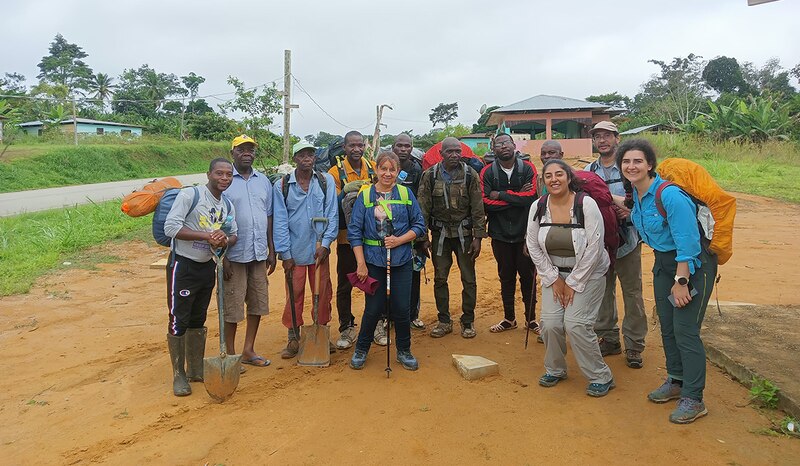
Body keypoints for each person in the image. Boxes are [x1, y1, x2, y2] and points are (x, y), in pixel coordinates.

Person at [617, 139, 717, 424]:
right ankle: (676, 380)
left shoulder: (669, 195)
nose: (631, 166)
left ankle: (694, 397)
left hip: (691, 265)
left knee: (685, 329)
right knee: (668, 327)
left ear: (650, 164)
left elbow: (688, 240)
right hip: (663, 263)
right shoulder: (637, 194)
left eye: (638, 161)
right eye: (626, 161)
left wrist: (682, 280)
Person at [526, 159, 614, 397]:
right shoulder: (538, 206)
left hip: (589, 273)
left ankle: (600, 375)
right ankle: (555, 369)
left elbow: (595, 248)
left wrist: (573, 283)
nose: (554, 179)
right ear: (543, 181)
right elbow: (532, 245)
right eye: (548, 176)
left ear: (569, 177)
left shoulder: (586, 204)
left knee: (576, 325)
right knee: (551, 324)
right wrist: (555, 279)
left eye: (559, 174)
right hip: (553, 273)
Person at [163, 158, 238, 396]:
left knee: (198, 318)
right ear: (209, 174)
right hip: (183, 266)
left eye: (228, 175)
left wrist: (223, 239)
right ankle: (179, 375)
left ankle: (196, 369)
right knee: (179, 319)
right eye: (219, 173)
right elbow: (171, 228)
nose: (224, 178)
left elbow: (233, 234)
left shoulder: (227, 205)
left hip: (208, 266)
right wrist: (207, 236)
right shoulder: (190, 196)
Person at [347, 151, 426, 371]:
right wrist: (361, 263)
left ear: (398, 171)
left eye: (392, 169)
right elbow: (355, 232)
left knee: (402, 308)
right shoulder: (365, 196)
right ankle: (361, 349)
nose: (387, 174)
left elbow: (419, 225)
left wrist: (399, 240)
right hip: (373, 261)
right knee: (373, 308)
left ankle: (404, 350)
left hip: (400, 260)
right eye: (383, 169)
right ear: (376, 170)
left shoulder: (406, 193)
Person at [585, 121, 647, 369]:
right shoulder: (589, 170)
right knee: (602, 292)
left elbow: (645, 199)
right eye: (598, 136)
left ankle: (634, 345)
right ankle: (609, 339)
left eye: (607, 136)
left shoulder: (630, 169)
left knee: (633, 293)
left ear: (616, 138)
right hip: (599, 243)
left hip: (628, 240)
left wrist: (629, 213)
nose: (602, 140)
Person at [273, 142, 338, 359]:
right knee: (294, 293)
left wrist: (327, 244)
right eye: (302, 155)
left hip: (319, 251)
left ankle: (320, 331)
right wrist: (285, 254)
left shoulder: (325, 181)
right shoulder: (282, 185)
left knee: (323, 291)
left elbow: (332, 213)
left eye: (311, 154)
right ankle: (293, 335)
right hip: (295, 252)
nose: (307, 158)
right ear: (295, 159)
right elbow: (280, 221)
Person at [417, 137, 486, 339]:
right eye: (450, 152)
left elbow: (478, 207)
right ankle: (444, 320)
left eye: (458, 151)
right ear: (441, 153)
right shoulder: (429, 175)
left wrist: (478, 237)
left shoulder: (470, 174)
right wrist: (423, 238)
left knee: (468, 278)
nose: (455, 155)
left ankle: (467, 321)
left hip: (464, 234)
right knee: (440, 278)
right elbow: (423, 208)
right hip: (440, 236)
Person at [221, 135, 275, 368]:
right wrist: (222, 257)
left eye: (251, 149)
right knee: (232, 308)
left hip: (259, 253)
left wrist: (271, 250)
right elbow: (215, 219)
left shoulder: (263, 181)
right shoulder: (224, 180)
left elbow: (269, 216)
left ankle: (248, 350)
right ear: (233, 152)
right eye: (241, 149)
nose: (247, 153)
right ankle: (231, 355)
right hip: (233, 255)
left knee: (258, 304)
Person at [480, 133, 539, 333]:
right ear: (493, 149)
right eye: (498, 144)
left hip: (525, 234)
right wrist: (516, 197)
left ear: (514, 145)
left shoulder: (528, 168)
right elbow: (485, 202)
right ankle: (509, 319)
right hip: (500, 235)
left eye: (506, 143)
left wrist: (501, 195)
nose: (503, 146)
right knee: (506, 277)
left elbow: (531, 198)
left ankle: (531, 320)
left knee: (528, 277)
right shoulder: (488, 172)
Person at [328, 131, 380, 349]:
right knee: (345, 284)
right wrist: (345, 193)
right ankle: (346, 326)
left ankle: (376, 323)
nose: (357, 149)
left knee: (374, 282)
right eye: (352, 146)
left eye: (360, 145)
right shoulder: (334, 173)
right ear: (344, 147)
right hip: (346, 239)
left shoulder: (373, 166)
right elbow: (332, 205)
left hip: (371, 238)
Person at [393, 133, 426, 330]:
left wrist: (422, 236)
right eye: (400, 146)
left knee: (413, 274)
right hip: (388, 231)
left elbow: (422, 203)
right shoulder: (386, 167)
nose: (403, 149)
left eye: (407, 146)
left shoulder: (417, 170)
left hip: (412, 233)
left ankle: (412, 314)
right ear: (393, 147)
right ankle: (387, 316)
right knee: (388, 274)